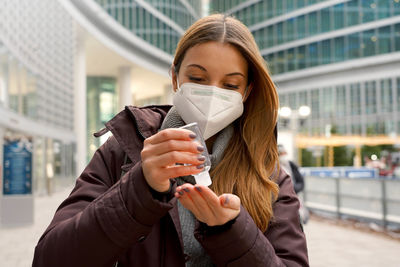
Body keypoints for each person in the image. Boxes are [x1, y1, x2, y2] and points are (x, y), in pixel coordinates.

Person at [33, 14, 308, 267]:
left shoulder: (267, 174)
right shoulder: (124, 152)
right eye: (197, 78)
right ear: (175, 78)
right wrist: (140, 189)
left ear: (247, 92)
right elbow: (50, 259)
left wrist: (233, 230)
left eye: (230, 85)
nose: (212, 94)